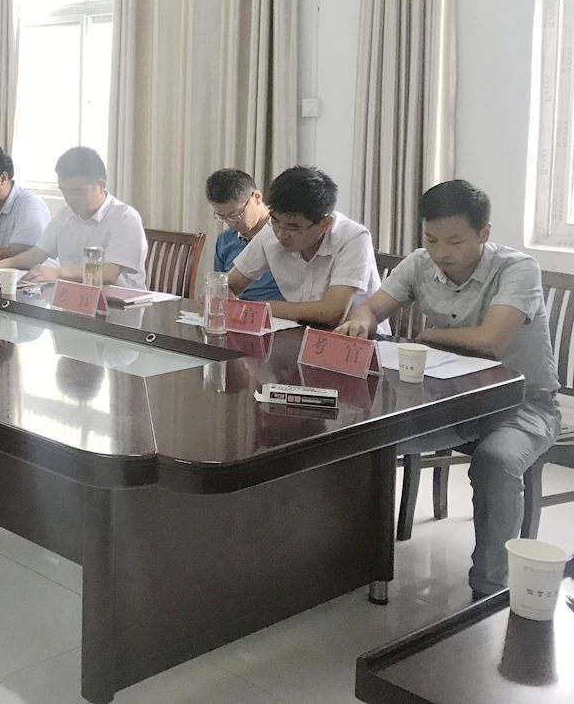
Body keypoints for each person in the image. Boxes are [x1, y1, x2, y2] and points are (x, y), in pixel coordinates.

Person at [335, 180, 560, 598]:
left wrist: (428, 336)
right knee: (366, 439)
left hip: (523, 404)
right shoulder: (419, 263)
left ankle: (489, 588)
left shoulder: (517, 268)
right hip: (450, 403)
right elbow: (373, 307)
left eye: (454, 241)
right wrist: (361, 323)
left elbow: (491, 339)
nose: (441, 252)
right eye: (431, 239)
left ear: (484, 233)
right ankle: (355, 563)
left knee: (496, 460)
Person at [228, 166, 383, 327]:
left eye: (293, 227)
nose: (281, 234)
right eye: (275, 221)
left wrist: (259, 308)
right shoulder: (269, 235)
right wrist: (226, 302)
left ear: (325, 224)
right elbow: (228, 285)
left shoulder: (353, 237)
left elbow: (332, 312)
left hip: (357, 336)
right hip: (298, 332)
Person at [0, 147, 147, 289]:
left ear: (101, 186)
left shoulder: (125, 218)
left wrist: (58, 273)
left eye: (76, 191)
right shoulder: (65, 215)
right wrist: (1, 264)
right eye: (64, 191)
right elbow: (37, 254)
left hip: (122, 305)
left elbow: (110, 273)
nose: (69, 199)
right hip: (74, 298)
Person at [205, 168, 283, 302]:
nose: (230, 223)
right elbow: (221, 287)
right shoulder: (225, 239)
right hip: (238, 310)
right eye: (222, 216)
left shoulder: (284, 235)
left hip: (277, 311)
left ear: (256, 197)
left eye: (235, 215)